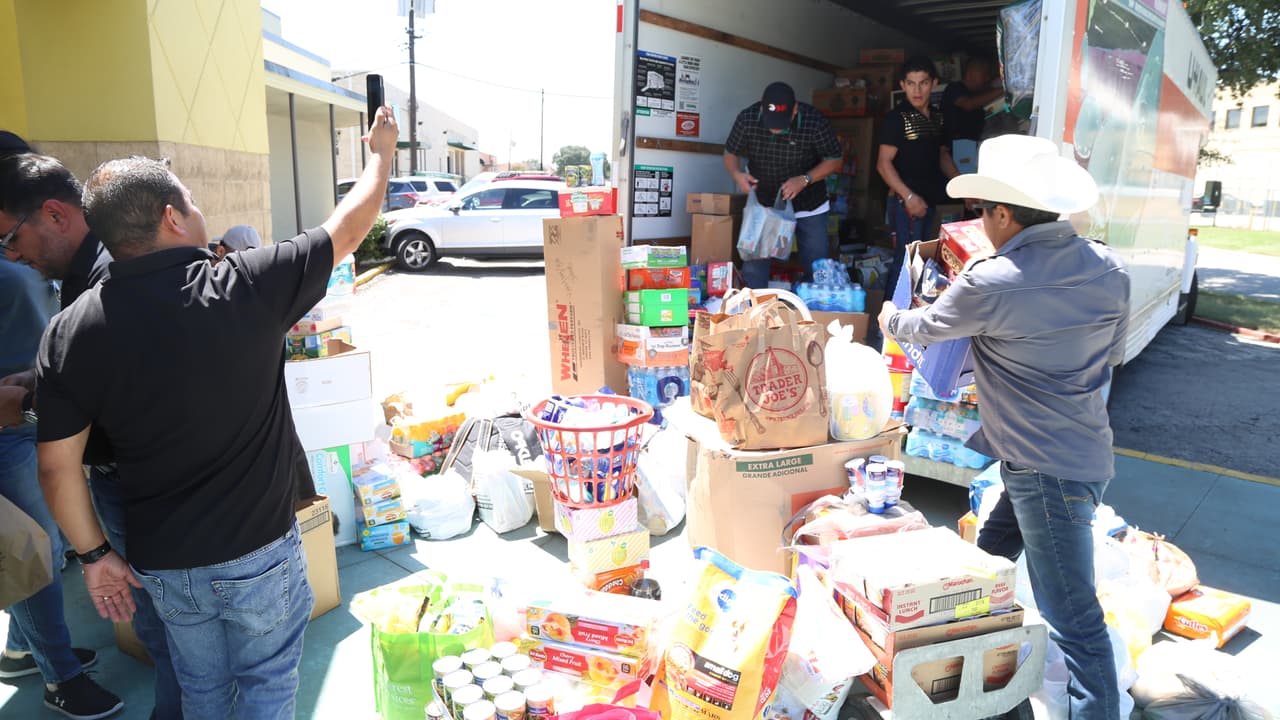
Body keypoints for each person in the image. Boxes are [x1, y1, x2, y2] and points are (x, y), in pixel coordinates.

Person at [34, 105, 398, 719]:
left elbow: (57, 468)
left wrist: (96, 559)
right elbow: (350, 224)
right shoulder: (248, 284)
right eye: (193, 200)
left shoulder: (70, 330)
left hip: (164, 565)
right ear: (172, 216)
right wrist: (382, 153)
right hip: (259, 553)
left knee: (201, 690)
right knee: (268, 686)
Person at [878, 134, 1130, 720]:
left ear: (1004, 214)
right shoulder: (1109, 268)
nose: (979, 223)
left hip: (1046, 471)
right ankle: (967, 690)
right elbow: (1110, 356)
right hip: (1076, 455)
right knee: (980, 570)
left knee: (1072, 618)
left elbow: (921, 328)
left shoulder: (993, 278)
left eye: (983, 212)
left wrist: (890, 311)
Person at [0, 151, 184, 719]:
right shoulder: (86, 273)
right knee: (164, 622)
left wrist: (31, 404)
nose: (11, 255)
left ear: (55, 215)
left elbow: (121, 395)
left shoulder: (105, 282)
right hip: (133, 480)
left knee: (168, 625)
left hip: (138, 482)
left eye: (10, 237)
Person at [0, 137, 126, 720]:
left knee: (37, 548)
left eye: (11, 238)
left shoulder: (93, 270)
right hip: (18, 424)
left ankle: (29, 648)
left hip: (36, 413)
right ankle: (58, 675)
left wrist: (33, 385)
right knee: (32, 549)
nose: (15, 254)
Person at [724, 81, 843, 288]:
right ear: (762, 106)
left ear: (795, 109)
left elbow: (835, 160)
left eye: (782, 122)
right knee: (754, 265)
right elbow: (730, 152)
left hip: (809, 202)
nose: (776, 129)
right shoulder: (748, 118)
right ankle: (755, 313)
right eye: (771, 123)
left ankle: (814, 313)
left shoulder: (814, 121)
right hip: (764, 201)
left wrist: (804, 179)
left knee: (817, 268)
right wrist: (737, 174)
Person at [876, 55, 960, 299]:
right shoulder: (896, 118)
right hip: (906, 205)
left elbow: (942, 155)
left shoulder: (938, 118)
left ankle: (912, 325)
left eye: (923, 83)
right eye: (911, 83)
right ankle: (889, 325)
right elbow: (883, 164)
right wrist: (909, 196)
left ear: (934, 83)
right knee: (905, 265)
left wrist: (961, 186)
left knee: (924, 266)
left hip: (930, 202)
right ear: (902, 85)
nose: (917, 90)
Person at [941, 56, 1004, 145]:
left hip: (974, 142)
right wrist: (1004, 90)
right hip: (959, 144)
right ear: (972, 72)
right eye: (985, 74)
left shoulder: (977, 93)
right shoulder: (954, 88)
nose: (987, 78)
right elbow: (968, 104)